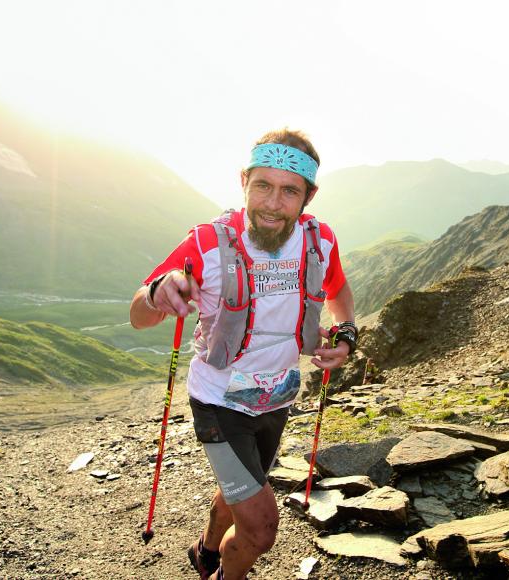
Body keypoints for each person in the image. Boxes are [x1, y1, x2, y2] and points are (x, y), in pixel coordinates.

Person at [130, 129, 356, 580]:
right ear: (243, 183)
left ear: (308, 196)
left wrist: (346, 333)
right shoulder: (208, 242)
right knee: (259, 530)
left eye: (289, 190)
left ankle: (206, 550)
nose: (273, 203)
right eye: (262, 186)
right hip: (219, 402)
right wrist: (159, 292)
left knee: (239, 492)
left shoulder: (319, 240)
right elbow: (139, 314)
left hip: (277, 396)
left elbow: (338, 290)